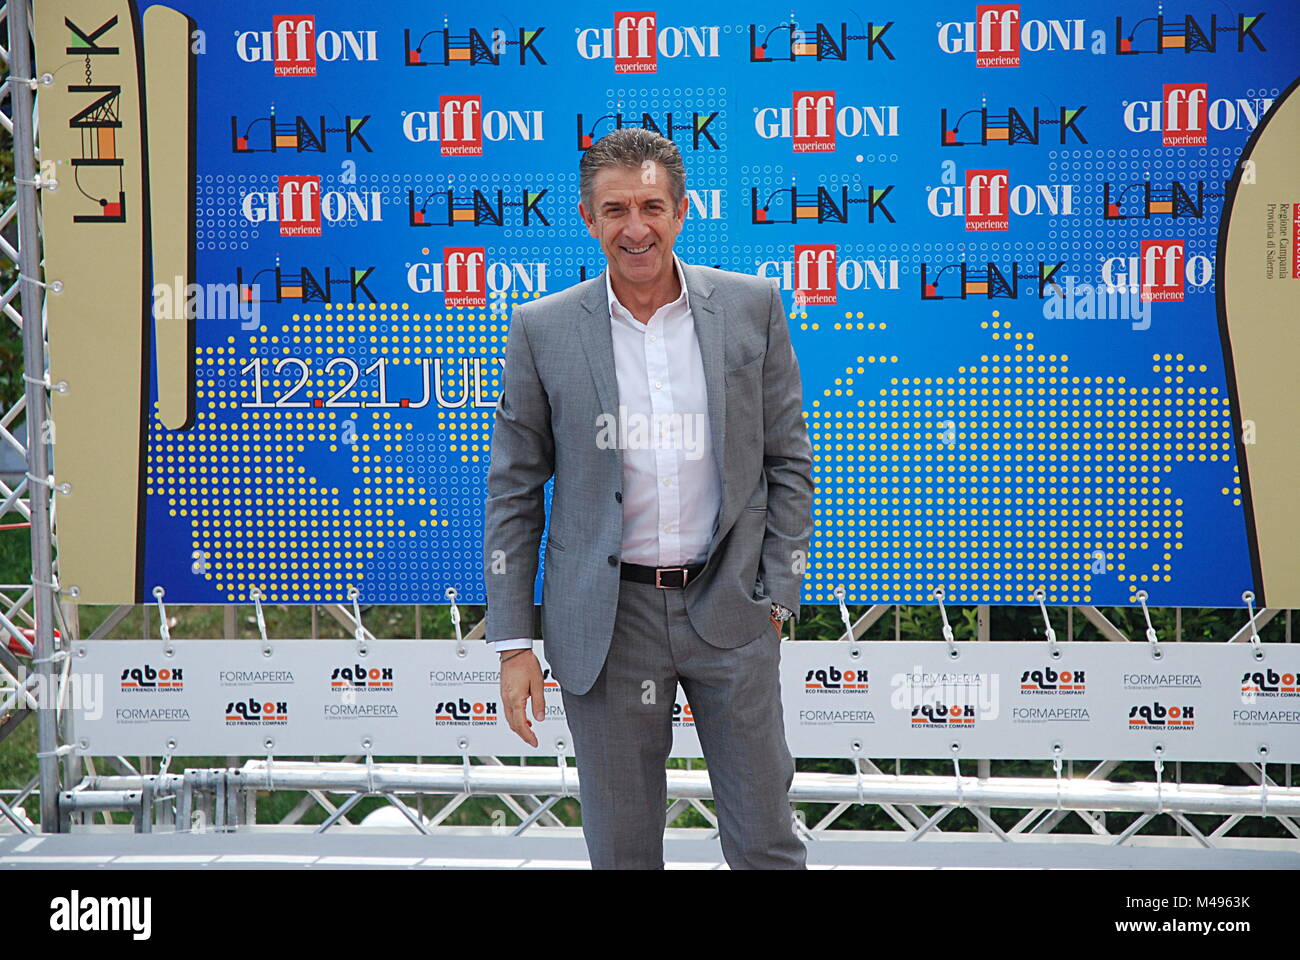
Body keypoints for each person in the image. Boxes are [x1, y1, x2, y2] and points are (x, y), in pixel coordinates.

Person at [483, 126, 812, 869]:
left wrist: (777, 593)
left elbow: (788, 459)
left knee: (765, 840)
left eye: (653, 207)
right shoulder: (542, 329)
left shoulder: (751, 307)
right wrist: (513, 643)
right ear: (587, 219)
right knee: (624, 850)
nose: (636, 228)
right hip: (606, 622)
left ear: (683, 211)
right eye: (616, 210)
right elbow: (514, 487)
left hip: (731, 604)